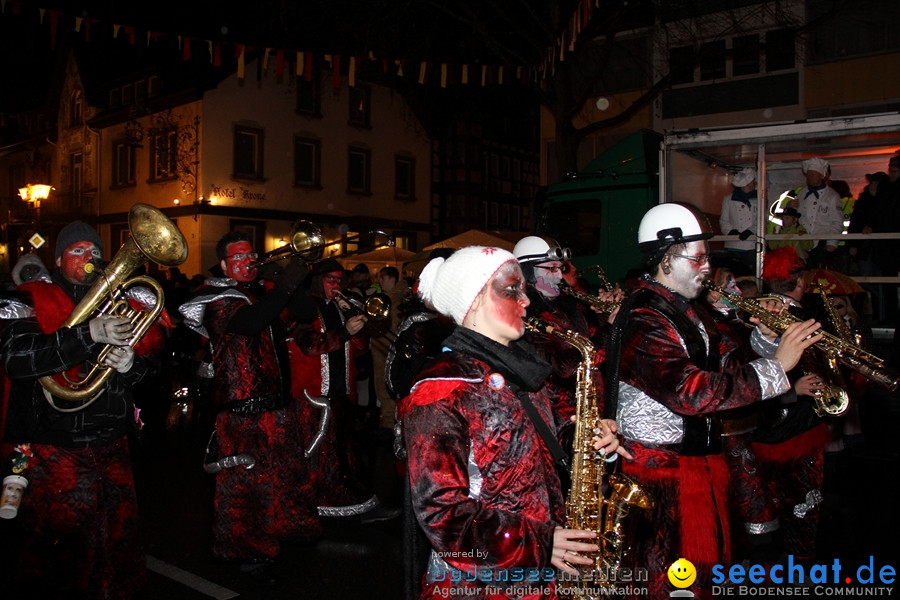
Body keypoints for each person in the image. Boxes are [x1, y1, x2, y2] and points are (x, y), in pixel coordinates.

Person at [603, 203, 821, 597]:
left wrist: (769, 341)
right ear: (666, 260)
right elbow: (691, 392)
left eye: (708, 258)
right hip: (660, 476)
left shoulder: (685, 309)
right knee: (665, 583)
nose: (707, 267)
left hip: (692, 464)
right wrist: (778, 369)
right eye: (698, 258)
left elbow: (725, 367)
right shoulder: (644, 317)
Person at [400, 246, 630, 599]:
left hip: (541, 569)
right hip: (482, 583)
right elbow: (443, 515)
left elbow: (547, 437)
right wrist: (538, 543)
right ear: (473, 300)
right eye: (511, 290)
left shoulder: (521, 368)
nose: (526, 300)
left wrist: (594, 441)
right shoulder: (439, 390)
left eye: (523, 289)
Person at [1, 220, 163, 599]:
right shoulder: (25, 299)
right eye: (78, 250)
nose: (89, 256)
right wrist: (87, 334)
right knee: (63, 549)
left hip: (113, 443)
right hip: (57, 447)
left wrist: (130, 366)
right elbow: (17, 360)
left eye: (94, 249)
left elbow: (152, 378)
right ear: (58, 259)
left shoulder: (124, 302)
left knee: (119, 539)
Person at [178, 231, 318, 584]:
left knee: (286, 475)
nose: (248, 262)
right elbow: (249, 324)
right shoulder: (214, 298)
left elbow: (305, 312)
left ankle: (286, 532)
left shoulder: (262, 292)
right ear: (223, 264)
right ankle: (248, 551)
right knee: (246, 488)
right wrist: (285, 283)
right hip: (241, 407)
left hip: (276, 402)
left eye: (251, 255)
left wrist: (294, 277)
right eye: (237, 257)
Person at [291, 259, 400, 523]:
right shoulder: (305, 306)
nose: (336, 285)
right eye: (331, 280)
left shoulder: (340, 306)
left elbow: (360, 345)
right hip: (315, 394)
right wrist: (343, 331)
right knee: (319, 455)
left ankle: (350, 501)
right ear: (318, 280)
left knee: (346, 454)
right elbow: (309, 345)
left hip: (341, 391)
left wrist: (353, 318)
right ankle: (313, 504)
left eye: (340, 280)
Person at [751, 246, 832, 563]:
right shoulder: (790, 316)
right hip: (796, 431)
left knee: (770, 512)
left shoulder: (758, 311)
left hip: (765, 432)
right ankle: (797, 571)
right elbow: (757, 364)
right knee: (802, 509)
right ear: (799, 280)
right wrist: (793, 389)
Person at [370, 266, 410, 431]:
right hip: (387, 348)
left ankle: (388, 423)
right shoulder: (401, 297)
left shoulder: (390, 300)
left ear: (393, 280)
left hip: (385, 349)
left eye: (383, 278)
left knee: (385, 385)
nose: (380, 281)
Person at [797, 158, 845, 270]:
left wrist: (832, 242)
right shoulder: (802, 193)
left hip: (821, 243)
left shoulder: (832, 196)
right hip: (803, 242)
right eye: (808, 174)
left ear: (821, 176)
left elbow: (837, 220)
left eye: (813, 174)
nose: (809, 177)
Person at [719, 167, 759, 273]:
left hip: (751, 246)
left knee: (749, 275)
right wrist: (730, 231)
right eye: (754, 180)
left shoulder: (760, 199)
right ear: (749, 182)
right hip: (732, 246)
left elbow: (761, 221)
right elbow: (724, 220)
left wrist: (751, 231)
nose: (755, 182)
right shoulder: (728, 199)